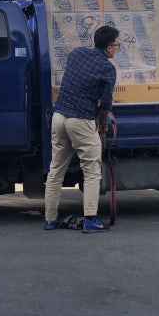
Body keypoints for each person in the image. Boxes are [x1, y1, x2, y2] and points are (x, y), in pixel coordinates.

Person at [44, 25, 120, 234]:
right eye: (117, 45)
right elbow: (106, 103)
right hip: (81, 120)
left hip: (59, 117)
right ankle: (90, 220)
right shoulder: (108, 69)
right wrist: (101, 120)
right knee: (92, 171)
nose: (117, 48)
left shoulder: (76, 53)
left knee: (56, 170)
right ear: (108, 48)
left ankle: (50, 219)